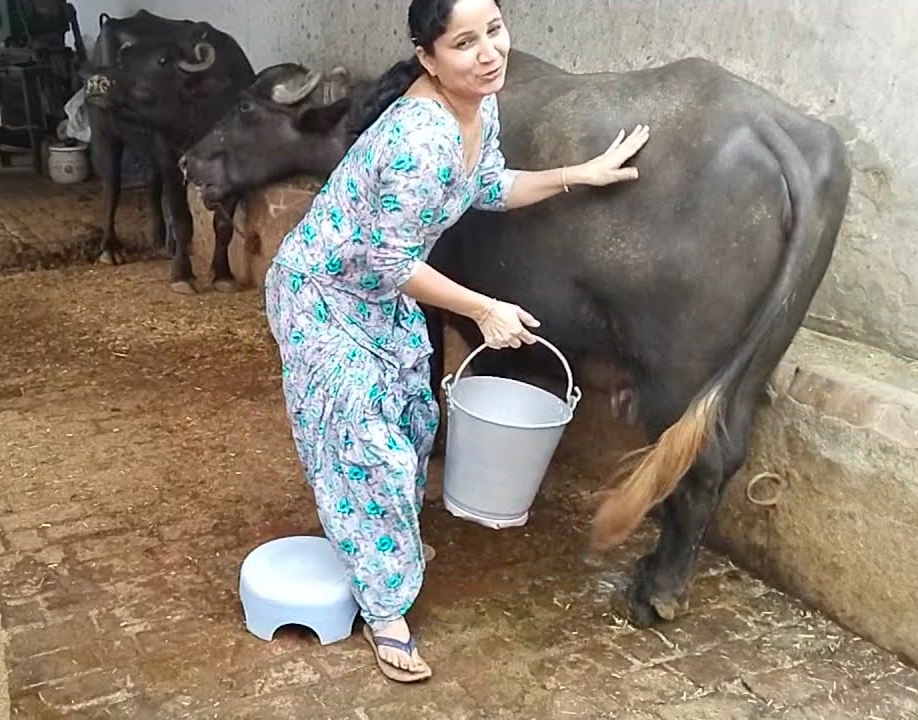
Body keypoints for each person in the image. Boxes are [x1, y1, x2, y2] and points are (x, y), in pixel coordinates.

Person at [263, 0, 649, 683]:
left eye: (494, 32)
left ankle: (388, 541)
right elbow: (389, 259)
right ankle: (384, 608)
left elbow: (486, 184)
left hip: (382, 294)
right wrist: (485, 308)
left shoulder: (478, 106)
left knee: (413, 420)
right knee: (367, 445)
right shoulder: (420, 136)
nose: (488, 53)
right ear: (428, 58)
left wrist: (575, 174)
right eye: (465, 43)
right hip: (324, 294)